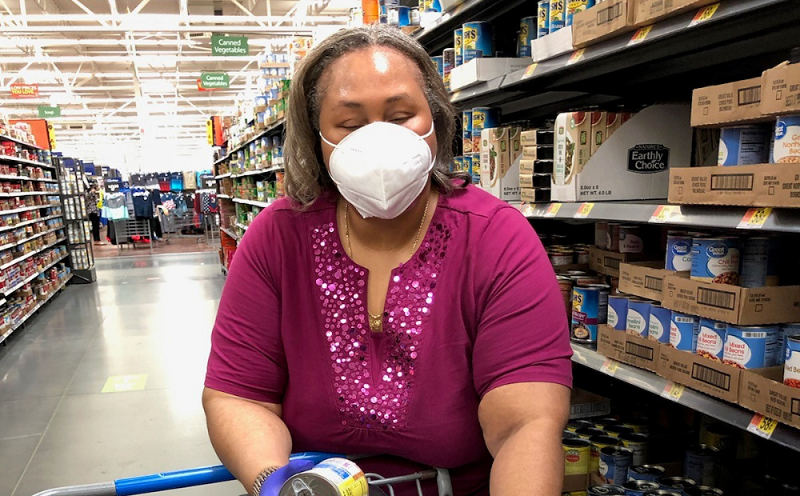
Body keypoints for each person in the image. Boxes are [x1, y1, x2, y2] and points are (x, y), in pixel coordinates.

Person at [203, 25, 572, 496]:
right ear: (317, 135)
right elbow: (239, 396)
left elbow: (526, 424)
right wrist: (279, 487)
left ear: (436, 119)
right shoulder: (277, 237)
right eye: (351, 125)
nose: (378, 140)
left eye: (401, 116)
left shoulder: (496, 238)